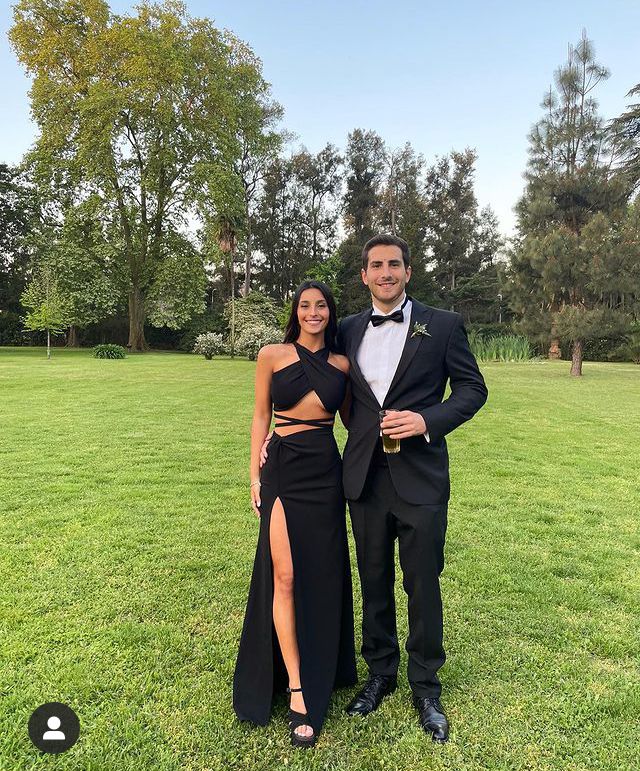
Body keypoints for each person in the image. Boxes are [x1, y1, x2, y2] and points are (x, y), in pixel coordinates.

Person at [335, 233, 488, 742]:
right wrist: (279, 431)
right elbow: (319, 385)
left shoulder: (441, 325)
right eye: (376, 265)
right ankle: (380, 673)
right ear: (364, 274)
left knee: (422, 582)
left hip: (420, 477)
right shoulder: (346, 329)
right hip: (363, 477)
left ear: (407, 271)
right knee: (373, 579)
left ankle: (425, 685)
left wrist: (425, 419)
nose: (385, 273)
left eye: (394, 265)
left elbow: (472, 390)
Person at [233, 280, 357, 749]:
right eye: (304, 305)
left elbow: (352, 420)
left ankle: (326, 662)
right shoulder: (271, 355)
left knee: (321, 576)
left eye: (320, 305)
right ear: (296, 311)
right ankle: (297, 689)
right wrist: (253, 476)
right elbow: (260, 416)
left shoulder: (343, 365)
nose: (312, 312)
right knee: (283, 576)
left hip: (325, 473)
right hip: (282, 470)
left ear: (330, 312)